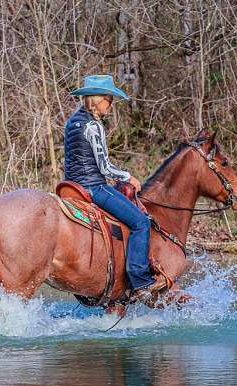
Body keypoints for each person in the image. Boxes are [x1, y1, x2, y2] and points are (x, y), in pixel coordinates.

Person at [63, 74, 159, 307]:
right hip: (93, 187)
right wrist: (128, 177)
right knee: (141, 222)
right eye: (109, 99)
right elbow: (104, 166)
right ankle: (141, 281)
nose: (111, 105)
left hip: (71, 186)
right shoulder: (93, 125)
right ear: (96, 100)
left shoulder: (72, 121)